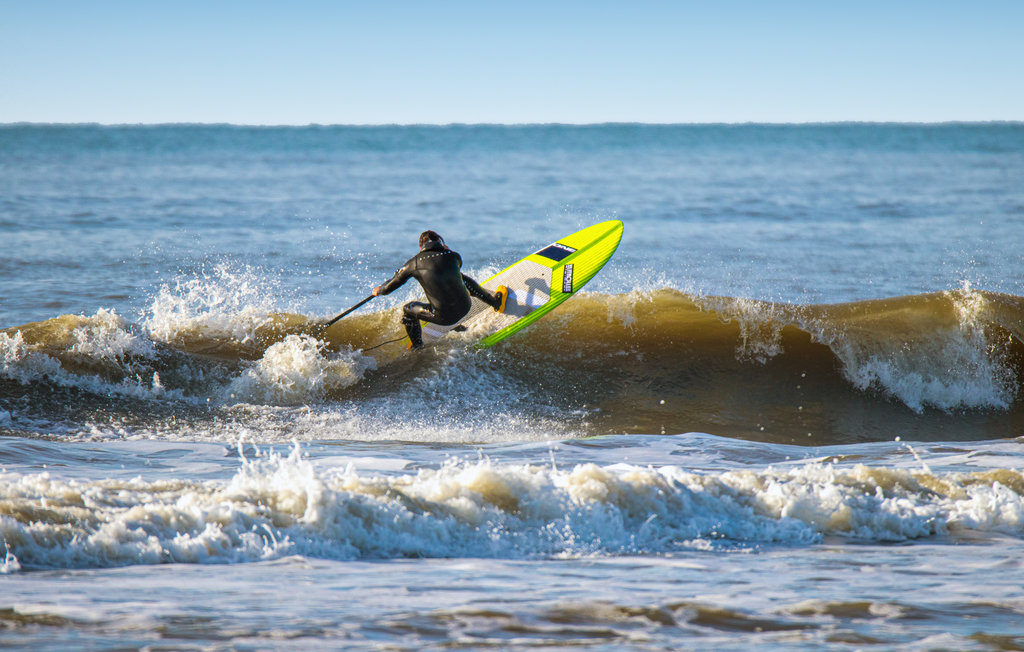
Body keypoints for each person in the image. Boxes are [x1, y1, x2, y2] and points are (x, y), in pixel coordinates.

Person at [373, 230, 507, 349]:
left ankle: (417, 346)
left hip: (443, 318)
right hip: (466, 306)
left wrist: (379, 290)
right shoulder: (454, 256)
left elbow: (388, 288)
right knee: (461, 278)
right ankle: (495, 303)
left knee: (408, 309)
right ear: (440, 242)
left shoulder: (413, 264)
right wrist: (447, 251)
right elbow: (454, 267)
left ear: (421, 247)